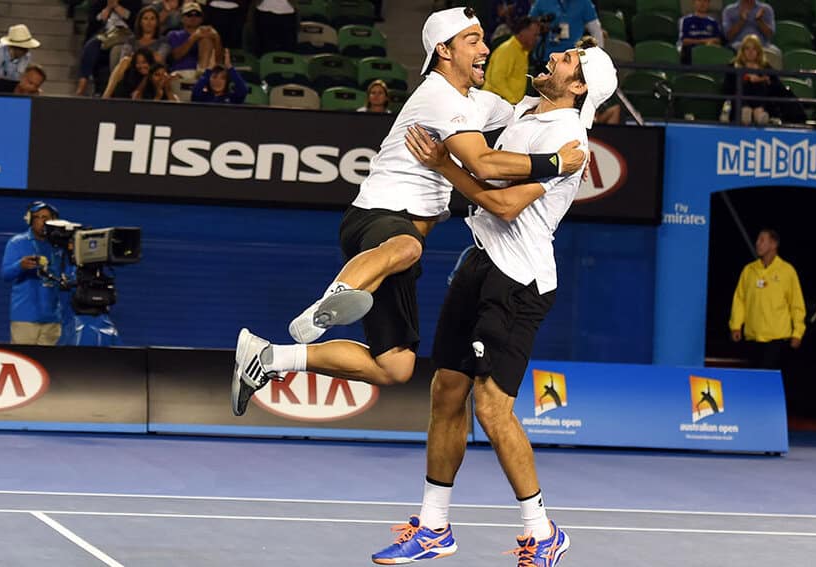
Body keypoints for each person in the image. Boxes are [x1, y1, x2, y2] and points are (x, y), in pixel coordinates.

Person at [230, 7, 586, 415]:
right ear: (443, 51)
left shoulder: (477, 102)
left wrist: (578, 110)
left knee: (395, 366)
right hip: (378, 216)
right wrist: (557, 164)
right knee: (409, 247)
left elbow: (527, 112)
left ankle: (269, 357)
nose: (485, 48)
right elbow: (485, 164)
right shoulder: (439, 96)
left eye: (483, 39)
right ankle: (330, 302)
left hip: (393, 244)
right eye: (473, 41)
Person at [371, 36, 617, 567]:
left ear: (578, 87)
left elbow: (505, 204)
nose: (553, 56)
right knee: (446, 390)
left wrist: (443, 164)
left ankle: (542, 531)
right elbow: (488, 165)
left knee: (491, 406)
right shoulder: (529, 108)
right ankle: (433, 527)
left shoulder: (570, 136)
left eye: (567, 60)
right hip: (480, 261)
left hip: (519, 280)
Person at [729, 229, 805, 370]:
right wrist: (736, 325)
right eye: (757, 240)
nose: (757, 243)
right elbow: (740, 300)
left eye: (762, 240)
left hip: (776, 340)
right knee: (753, 381)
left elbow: (796, 304)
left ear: (773, 244)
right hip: (753, 337)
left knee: (768, 380)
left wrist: (798, 333)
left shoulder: (787, 271)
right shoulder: (749, 270)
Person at [0, 202, 69, 346]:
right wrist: (20, 266)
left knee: (49, 364)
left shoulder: (60, 245)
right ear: (30, 220)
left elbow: (67, 275)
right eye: (38, 217)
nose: (43, 221)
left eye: (46, 217)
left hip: (52, 318)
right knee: (23, 361)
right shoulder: (17, 243)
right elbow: (5, 275)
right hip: (25, 317)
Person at [722, 35, 784, 125]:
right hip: (740, 102)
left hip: (762, 102)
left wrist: (765, 80)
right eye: (747, 49)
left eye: (754, 49)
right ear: (742, 51)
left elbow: (777, 86)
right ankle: (746, 111)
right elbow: (728, 88)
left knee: (760, 90)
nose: (750, 52)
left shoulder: (765, 67)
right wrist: (745, 79)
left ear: (758, 51)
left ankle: (759, 115)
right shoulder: (734, 66)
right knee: (744, 90)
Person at [483, 16, 540, 104]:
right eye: (535, 35)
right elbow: (497, 80)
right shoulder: (507, 50)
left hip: (508, 104)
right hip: (496, 104)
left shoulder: (523, 52)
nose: (537, 39)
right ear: (523, 31)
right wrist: (513, 101)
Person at [528, 0, 603, 59]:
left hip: (571, 60)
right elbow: (529, 24)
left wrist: (598, 57)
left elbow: (596, 31)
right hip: (544, 56)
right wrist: (541, 27)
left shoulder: (584, 3)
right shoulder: (542, 1)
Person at [167, 2, 223, 81]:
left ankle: (203, 75)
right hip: (181, 73)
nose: (193, 17)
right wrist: (194, 37)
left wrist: (216, 38)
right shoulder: (174, 34)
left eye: (197, 14)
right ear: (182, 18)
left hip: (204, 75)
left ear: (202, 18)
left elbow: (219, 62)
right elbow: (176, 56)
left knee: (206, 39)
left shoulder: (208, 34)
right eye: (189, 14)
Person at [679, 0, 722, 65]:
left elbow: (717, 40)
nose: (702, 3)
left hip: (708, 52)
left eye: (705, 1)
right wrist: (704, 41)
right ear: (693, 2)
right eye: (699, 0)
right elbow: (685, 41)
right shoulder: (685, 20)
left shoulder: (713, 22)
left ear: (708, 3)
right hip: (690, 53)